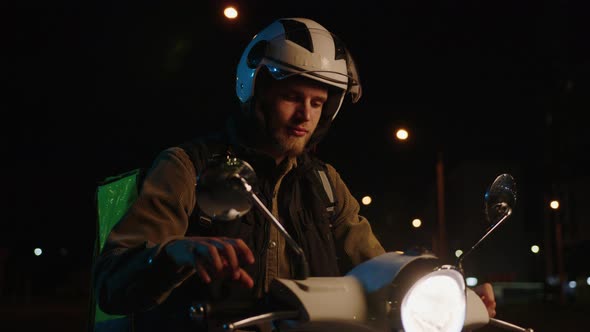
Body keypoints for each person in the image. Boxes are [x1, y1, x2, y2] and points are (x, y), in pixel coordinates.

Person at [92, 17, 496, 332]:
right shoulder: (187, 166)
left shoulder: (324, 183)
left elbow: (378, 267)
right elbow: (112, 283)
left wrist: (450, 294)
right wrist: (175, 254)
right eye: (291, 97)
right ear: (258, 91)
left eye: (318, 103)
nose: (305, 115)